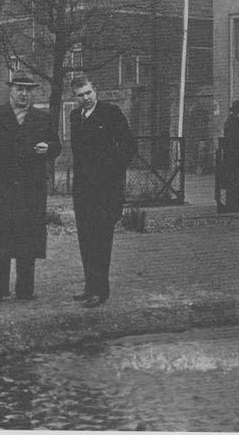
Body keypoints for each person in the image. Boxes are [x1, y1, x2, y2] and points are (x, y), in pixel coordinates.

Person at [0, 71, 61, 303]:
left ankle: (25, 290)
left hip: (32, 190)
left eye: (28, 90)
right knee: (1, 236)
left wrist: (48, 148)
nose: (24, 94)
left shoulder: (42, 118)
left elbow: (56, 145)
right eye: (19, 89)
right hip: (1, 190)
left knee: (27, 237)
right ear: (10, 90)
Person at [69, 75, 137, 308]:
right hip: (83, 192)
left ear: (95, 90)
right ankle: (90, 287)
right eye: (80, 95)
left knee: (101, 241)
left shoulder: (111, 113)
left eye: (88, 93)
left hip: (105, 191)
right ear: (74, 97)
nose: (86, 98)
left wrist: (109, 170)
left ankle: (101, 291)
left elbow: (129, 146)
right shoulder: (74, 117)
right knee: (86, 240)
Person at [220, 100, 239, 212]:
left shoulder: (232, 122)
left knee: (235, 181)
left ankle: (236, 203)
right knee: (234, 181)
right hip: (234, 158)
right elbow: (234, 142)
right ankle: (234, 204)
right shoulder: (233, 123)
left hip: (234, 157)